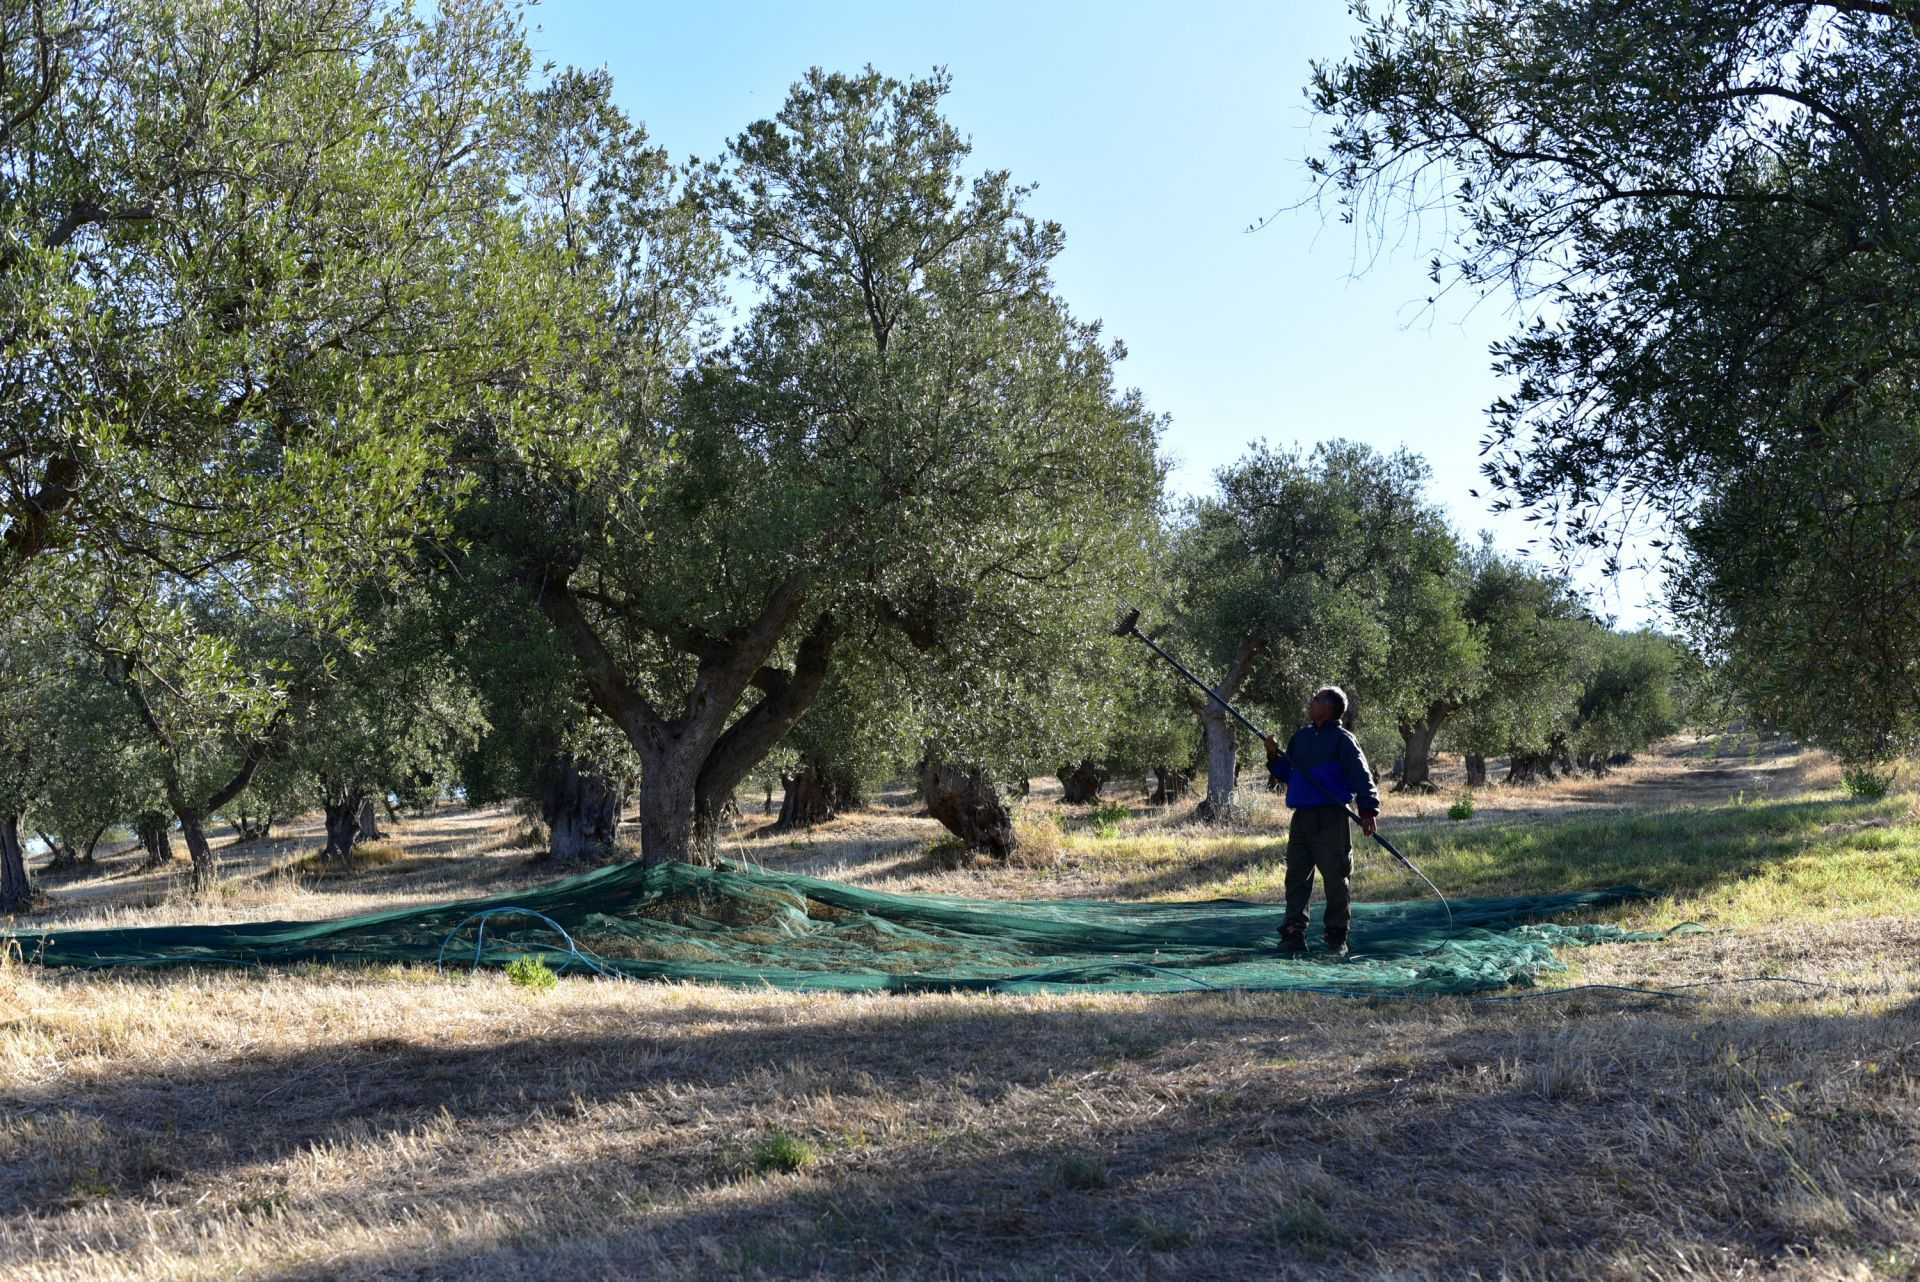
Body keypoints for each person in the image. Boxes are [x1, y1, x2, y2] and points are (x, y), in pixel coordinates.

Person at [1263, 685, 1380, 958]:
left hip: (1332, 816)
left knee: (1336, 878)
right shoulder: (1301, 738)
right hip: (1301, 817)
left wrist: (1368, 811)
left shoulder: (1343, 740)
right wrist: (1272, 754)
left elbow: (1362, 776)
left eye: (1316, 699)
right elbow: (1286, 773)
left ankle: (1336, 937)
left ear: (1328, 708)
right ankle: (1293, 934)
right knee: (1296, 878)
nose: (1310, 702)